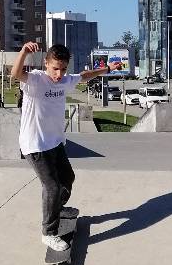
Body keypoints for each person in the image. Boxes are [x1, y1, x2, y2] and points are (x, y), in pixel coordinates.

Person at [11, 41, 105, 251]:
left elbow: (84, 76)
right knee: (52, 187)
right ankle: (49, 232)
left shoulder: (65, 81)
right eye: (55, 68)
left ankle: (57, 209)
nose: (59, 74)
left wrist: (106, 69)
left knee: (68, 178)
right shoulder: (35, 80)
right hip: (35, 144)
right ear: (46, 64)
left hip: (54, 141)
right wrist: (24, 52)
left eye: (63, 69)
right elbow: (16, 73)